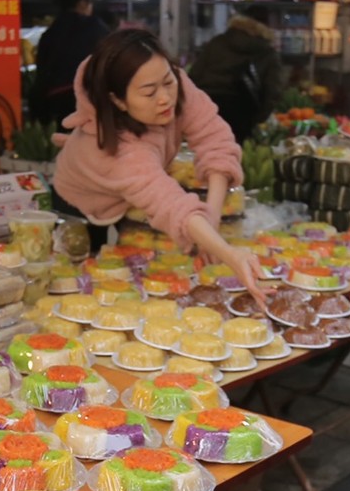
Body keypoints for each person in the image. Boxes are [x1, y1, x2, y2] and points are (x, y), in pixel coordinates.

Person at [52, 28, 268, 293]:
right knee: (92, 283)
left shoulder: (168, 80)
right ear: (117, 100)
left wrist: (211, 217)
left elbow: (215, 138)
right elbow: (171, 204)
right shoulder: (117, 153)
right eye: (149, 92)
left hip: (133, 197)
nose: (165, 98)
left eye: (168, 82)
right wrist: (228, 253)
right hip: (80, 203)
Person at [187, 6, 284, 141]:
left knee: (206, 151)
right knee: (232, 156)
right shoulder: (267, 52)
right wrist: (257, 118)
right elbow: (273, 91)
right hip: (243, 113)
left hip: (207, 108)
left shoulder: (217, 42)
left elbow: (194, 76)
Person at [32, 0, 109, 127]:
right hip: (86, 99)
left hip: (53, 102)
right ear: (83, 3)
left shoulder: (50, 33)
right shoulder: (95, 27)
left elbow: (41, 73)